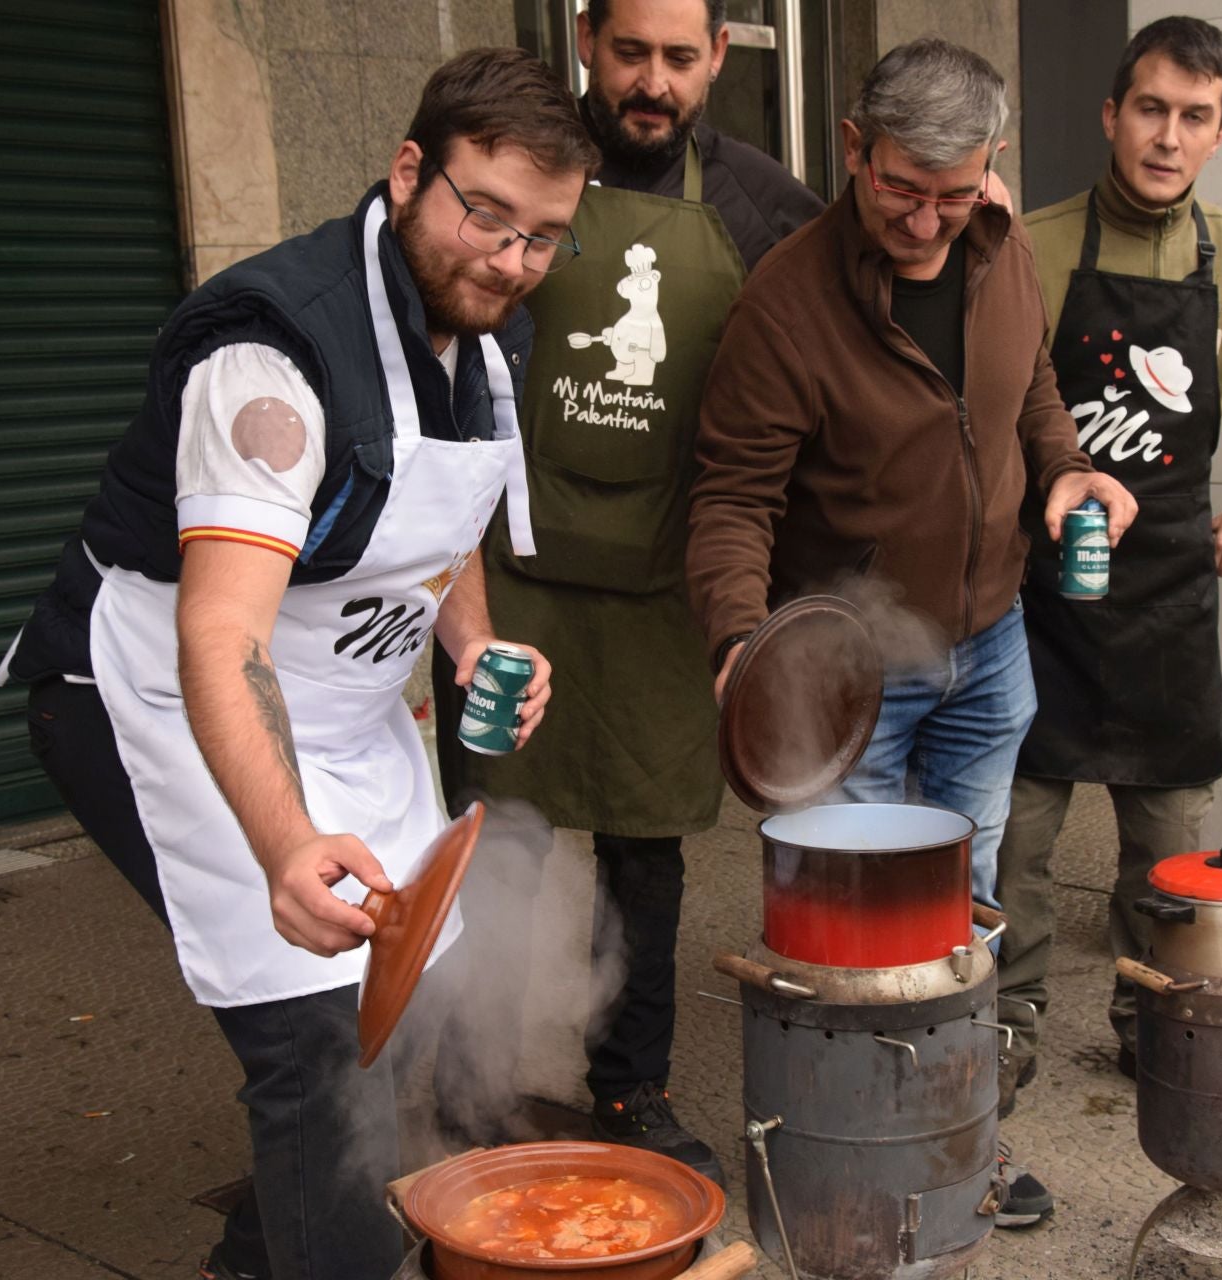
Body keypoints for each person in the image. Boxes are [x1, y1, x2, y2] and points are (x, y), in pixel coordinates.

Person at [0, 49, 594, 1280]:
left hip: (348, 702)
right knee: (319, 1042)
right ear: (410, 171)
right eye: (486, 214)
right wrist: (282, 846)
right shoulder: (269, 362)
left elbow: (443, 510)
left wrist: (471, 635)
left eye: (543, 238)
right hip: (161, 693)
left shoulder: (489, 335)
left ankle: (260, 1251)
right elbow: (221, 635)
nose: (510, 260)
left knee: (416, 992)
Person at [686, 36, 1136, 1229]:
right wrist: (741, 638)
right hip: (851, 680)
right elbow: (732, 500)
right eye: (900, 188)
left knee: (964, 907)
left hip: (991, 647)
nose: (928, 221)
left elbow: (1030, 383)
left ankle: (952, 1143)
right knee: (856, 938)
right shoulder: (785, 302)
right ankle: (848, 1164)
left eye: (954, 191)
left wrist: (1070, 469)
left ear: (990, 165)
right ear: (852, 149)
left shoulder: (1006, 252)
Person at [428, 0, 822, 1184]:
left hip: (665, 590)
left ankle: (630, 1082)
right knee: (497, 834)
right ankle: (465, 1079)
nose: (654, 81)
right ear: (588, 42)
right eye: (632, 52)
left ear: (716, 61)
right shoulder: (525, 172)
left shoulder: (762, 205)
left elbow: (872, 276)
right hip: (512, 582)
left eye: (680, 58)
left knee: (647, 860)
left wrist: (983, 222)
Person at [995, 16, 1222, 1114]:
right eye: (1150, 109)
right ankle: (1008, 1023)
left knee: (1168, 849)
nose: (1167, 136)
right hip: (1042, 596)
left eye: (1194, 117)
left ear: (1221, 133)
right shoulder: (1033, 247)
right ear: (1111, 115)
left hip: (1170, 599)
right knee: (1018, 840)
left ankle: (1154, 1019)